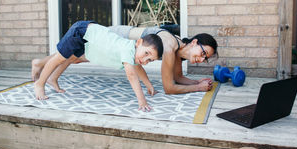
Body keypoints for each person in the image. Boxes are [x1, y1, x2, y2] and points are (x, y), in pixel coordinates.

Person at [32, 21, 163, 112]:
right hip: (82, 31)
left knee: (72, 58)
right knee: (59, 58)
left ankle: (52, 78)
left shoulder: (134, 54)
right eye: (146, 53)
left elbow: (139, 68)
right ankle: (40, 83)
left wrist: (149, 85)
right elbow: (132, 75)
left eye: (150, 60)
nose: (145, 60)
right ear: (139, 42)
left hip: (91, 38)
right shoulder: (128, 49)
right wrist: (142, 101)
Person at [108, 26, 218, 94]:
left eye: (205, 58)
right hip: (118, 36)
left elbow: (178, 78)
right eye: (203, 53)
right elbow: (169, 88)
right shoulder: (170, 47)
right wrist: (198, 87)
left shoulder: (178, 48)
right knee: (90, 57)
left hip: (121, 42)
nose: (202, 59)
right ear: (194, 42)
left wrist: (197, 82)